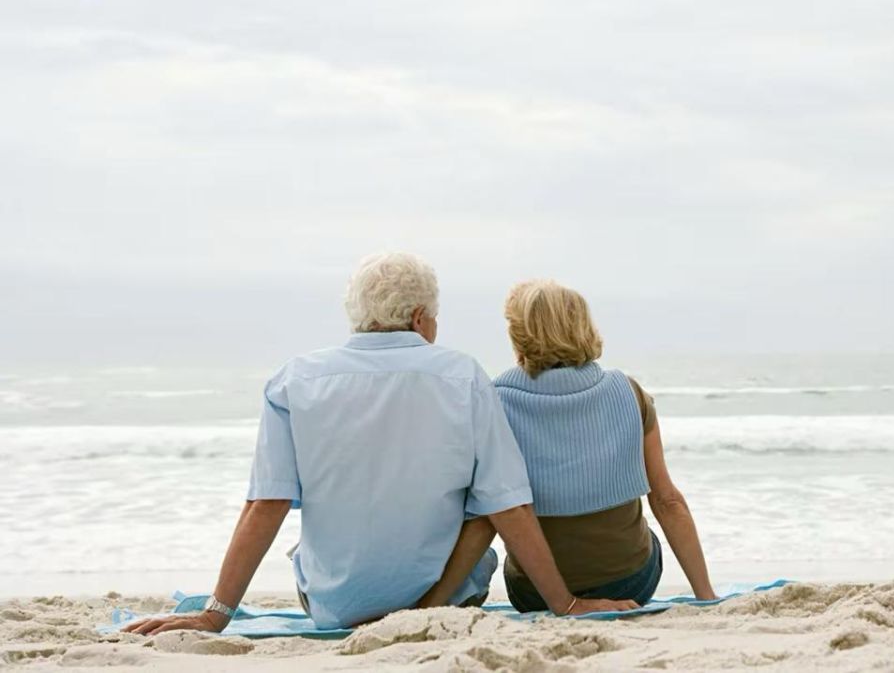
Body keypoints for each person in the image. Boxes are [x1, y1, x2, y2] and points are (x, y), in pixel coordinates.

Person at [123, 254, 635, 636]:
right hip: (449, 602)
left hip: (331, 606)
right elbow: (507, 504)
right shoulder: (463, 376)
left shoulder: (295, 380)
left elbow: (266, 504)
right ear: (418, 318)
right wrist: (564, 605)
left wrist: (216, 614)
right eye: (433, 317)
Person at [493, 279, 718, 611]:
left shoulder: (495, 401)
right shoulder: (627, 391)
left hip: (535, 593)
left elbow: (495, 509)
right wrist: (706, 598)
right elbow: (667, 500)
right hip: (631, 583)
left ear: (519, 335)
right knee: (645, 539)